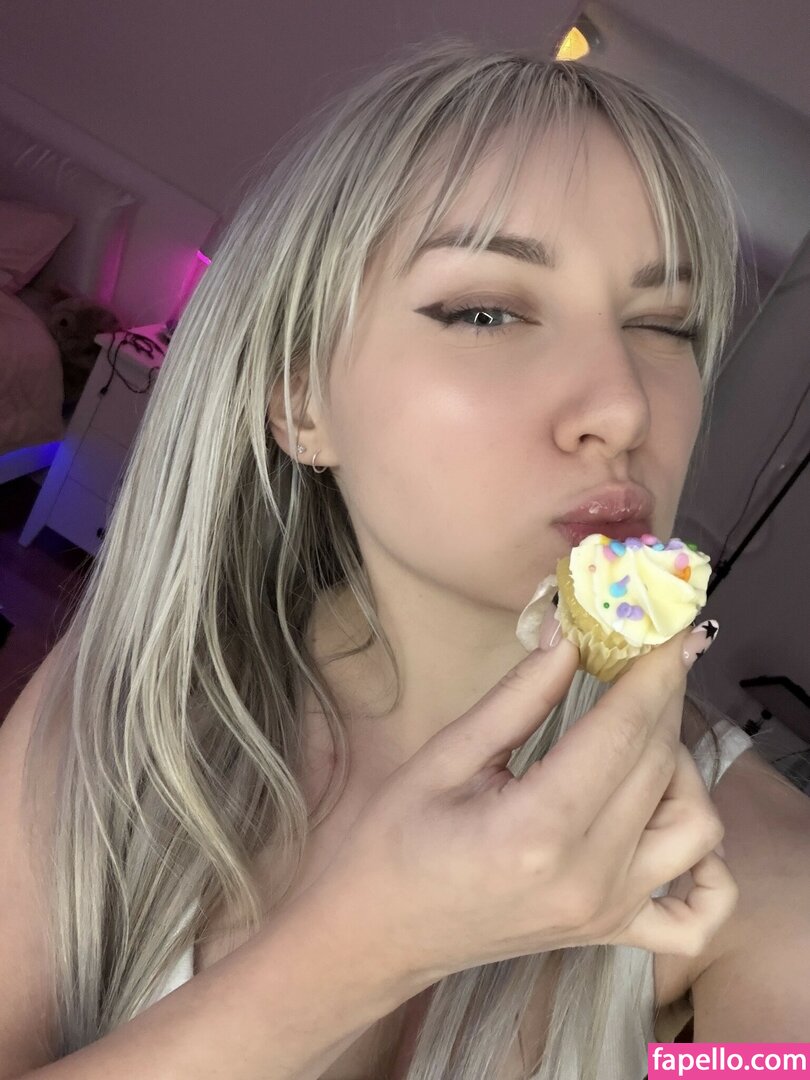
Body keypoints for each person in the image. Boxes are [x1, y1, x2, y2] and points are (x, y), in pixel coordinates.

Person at [2, 35, 803, 1080]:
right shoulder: (127, 699)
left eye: (665, 324)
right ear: (300, 400)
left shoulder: (764, 887)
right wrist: (375, 945)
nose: (623, 407)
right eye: (487, 312)